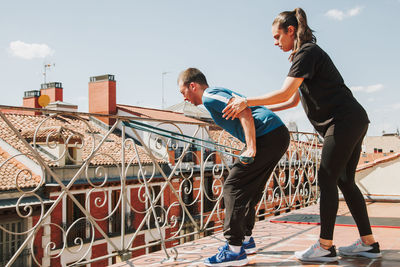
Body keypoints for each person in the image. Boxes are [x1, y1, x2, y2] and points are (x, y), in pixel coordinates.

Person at [222, 7, 381, 262]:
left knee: (327, 179)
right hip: (353, 119)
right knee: (344, 181)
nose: (275, 42)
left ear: (291, 31)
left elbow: (285, 94)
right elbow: (292, 101)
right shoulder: (305, 55)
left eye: (277, 37)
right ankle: (368, 243)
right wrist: (252, 107)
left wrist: (245, 100)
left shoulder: (306, 52)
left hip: (342, 121)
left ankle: (325, 246)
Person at [178, 68, 289, 266]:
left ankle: (234, 250)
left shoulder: (210, 96)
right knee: (249, 189)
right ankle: (246, 241)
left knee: (232, 187)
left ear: (192, 86)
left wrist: (251, 147)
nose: (184, 98)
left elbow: (244, 110)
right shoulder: (216, 95)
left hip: (267, 136)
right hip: (275, 134)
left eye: (183, 92)